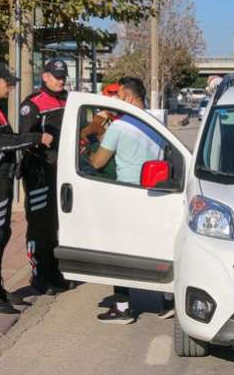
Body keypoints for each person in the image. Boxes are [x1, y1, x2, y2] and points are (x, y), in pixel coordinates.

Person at [88, 77, 175, 324]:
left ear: (127, 95)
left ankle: (122, 308)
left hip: (125, 196)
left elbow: (98, 162)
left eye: (119, 94)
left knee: (121, 254)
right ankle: (166, 302)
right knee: (155, 249)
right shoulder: (155, 125)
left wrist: (93, 143)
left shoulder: (119, 127)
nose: (116, 99)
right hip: (153, 193)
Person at [0, 62, 53, 313]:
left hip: (1, 180)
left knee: (2, 234)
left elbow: (8, 140)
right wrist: (36, 138)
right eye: (8, 82)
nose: (11, 87)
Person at [19, 59, 70, 294]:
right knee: (38, 223)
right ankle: (38, 274)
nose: (60, 80)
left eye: (63, 76)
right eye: (56, 75)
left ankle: (53, 271)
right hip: (38, 170)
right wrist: (41, 143)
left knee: (54, 224)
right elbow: (24, 138)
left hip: (61, 172)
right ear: (45, 76)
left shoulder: (68, 99)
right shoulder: (33, 103)